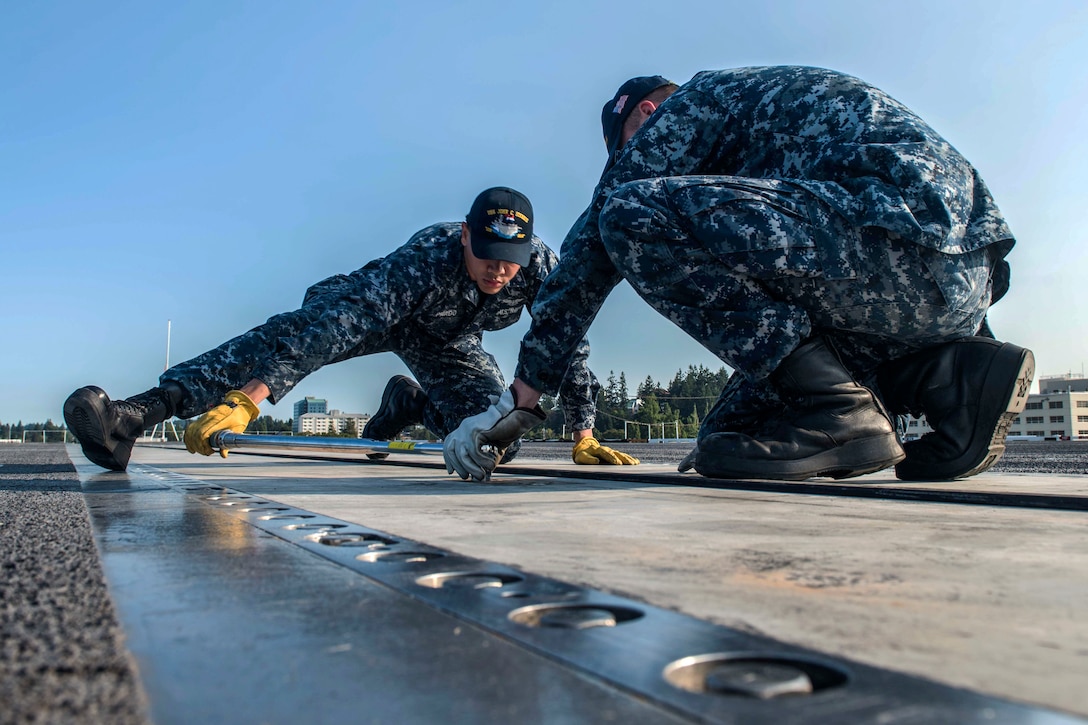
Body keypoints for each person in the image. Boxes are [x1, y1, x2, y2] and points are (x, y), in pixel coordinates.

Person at [443, 67, 1034, 483]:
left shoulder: (685, 108)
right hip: (948, 282)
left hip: (886, 243)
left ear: (646, 113)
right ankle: (956, 377)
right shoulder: (759, 118)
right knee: (727, 438)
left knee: (629, 212)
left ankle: (838, 409)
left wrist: (517, 396)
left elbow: (591, 247)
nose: (627, 165)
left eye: (623, 150)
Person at [64, 187, 638, 472]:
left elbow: (566, 341)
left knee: (490, 445)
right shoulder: (427, 258)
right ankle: (135, 414)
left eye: (508, 258)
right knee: (289, 334)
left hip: (448, 343)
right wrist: (250, 399)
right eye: (486, 253)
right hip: (376, 307)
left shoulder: (539, 267)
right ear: (465, 235)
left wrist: (583, 433)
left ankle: (407, 404)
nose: (498, 269)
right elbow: (340, 325)